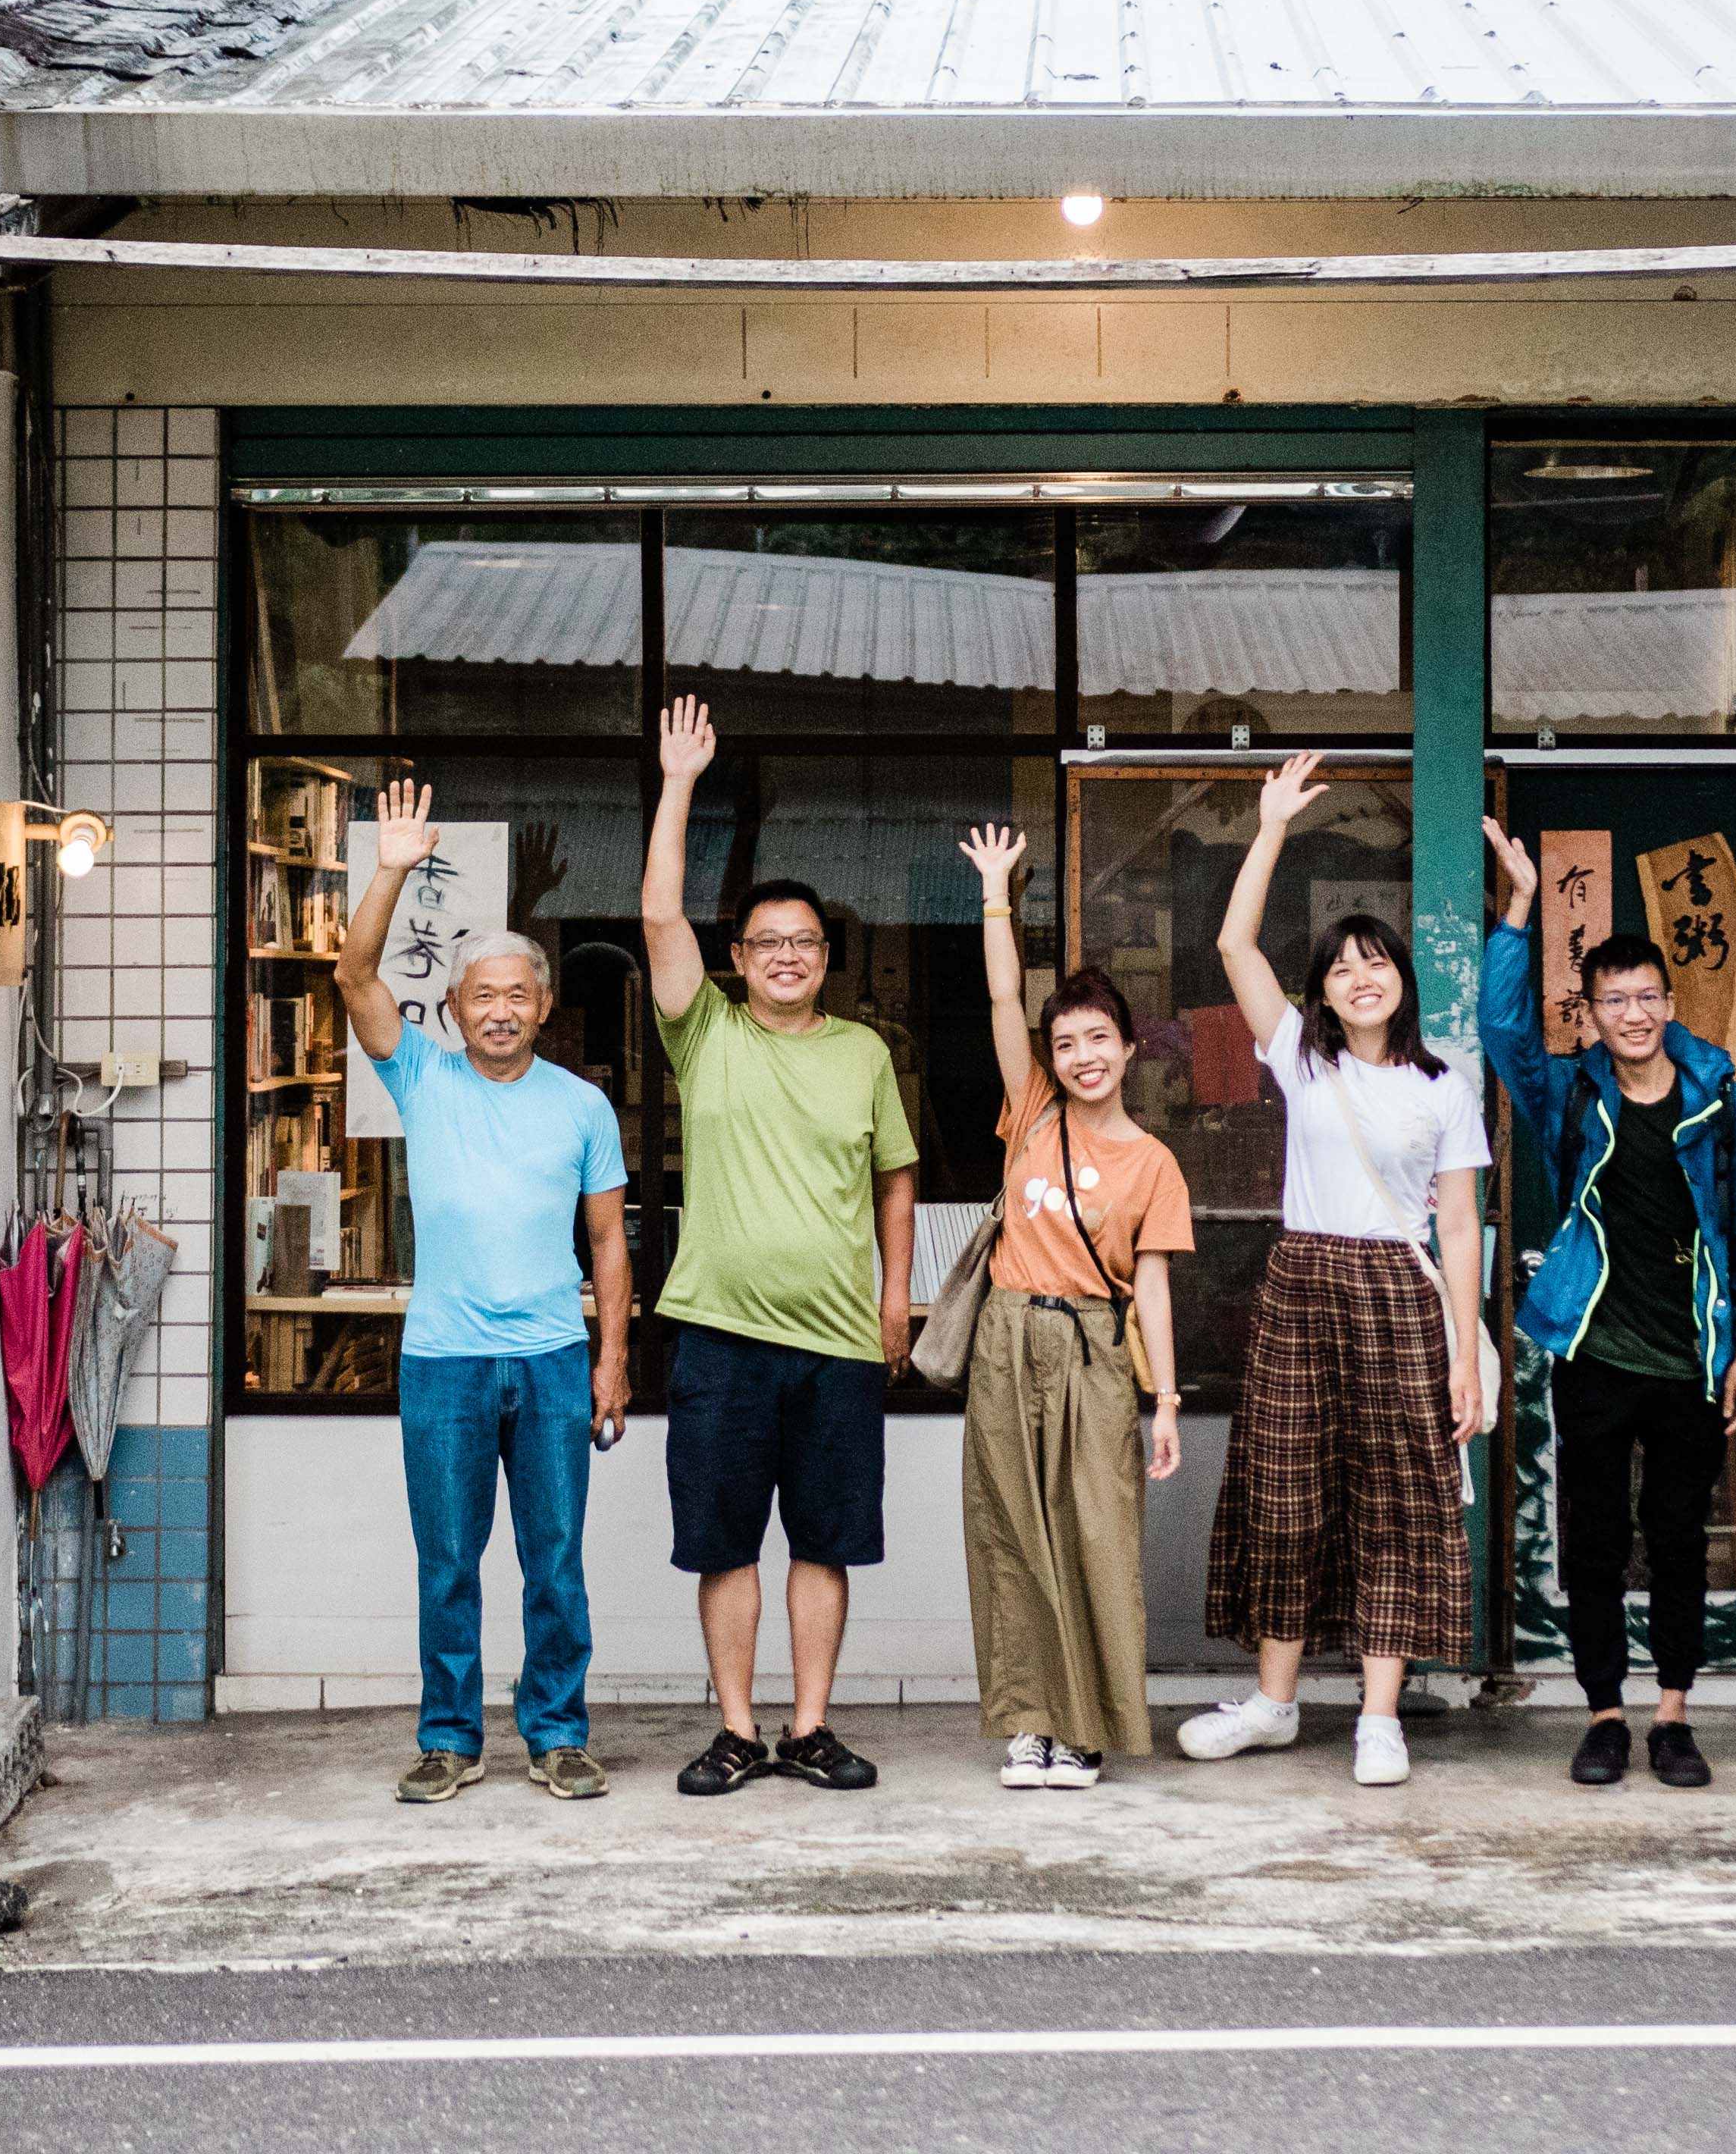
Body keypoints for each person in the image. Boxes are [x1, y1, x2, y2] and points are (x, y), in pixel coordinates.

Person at [1178, 753, 1492, 1787]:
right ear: (1320, 990)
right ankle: (1273, 1704)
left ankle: (1379, 1716)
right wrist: (1270, 827)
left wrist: (1464, 1354)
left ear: (1402, 980)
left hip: (1400, 1294)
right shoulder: (1300, 1058)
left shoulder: (1443, 1085)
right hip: (1302, 1284)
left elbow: (1458, 1227)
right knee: (1285, 1490)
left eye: (1378, 962)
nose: (1362, 978)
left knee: (1395, 1499)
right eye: (1342, 967)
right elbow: (1234, 944)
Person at [639, 693, 921, 1799]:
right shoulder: (703, 1033)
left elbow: (895, 1181)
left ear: (826, 956)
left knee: (824, 1543)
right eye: (769, 942)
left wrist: (895, 1301)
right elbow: (659, 913)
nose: (789, 956)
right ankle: (735, 1730)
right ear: (739, 957)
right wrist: (680, 784)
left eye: (806, 942)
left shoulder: (865, 1053)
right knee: (722, 1544)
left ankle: (809, 1728)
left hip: (840, 1343)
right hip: (718, 1337)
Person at [335, 779, 632, 1808]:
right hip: (445, 1361)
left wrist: (612, 1361)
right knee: (449, 1561)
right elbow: (354, 973)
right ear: (454, 1008)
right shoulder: (422, 1077)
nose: (500, 1010)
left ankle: (558, 1733)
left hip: (552, 1358)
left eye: (517, 996)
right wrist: (391, 869)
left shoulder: (584, 1106)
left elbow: (609, 1241)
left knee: (555, 1562)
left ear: (543, 1007)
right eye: (482, 996)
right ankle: (449, 1739)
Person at [1477, 819, 1736, 1789]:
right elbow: (1501, 1032)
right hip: (1596, 1355)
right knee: (1599, 1543)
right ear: (1594, 1012)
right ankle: (1605, 1714)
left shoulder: (1719, 1099)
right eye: (1615, 1000)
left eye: (1648, 996)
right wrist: (1519, 911)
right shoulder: (1571, 1096)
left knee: (1681, 1541)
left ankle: (1675, 1717)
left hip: (1691, 1360)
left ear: (1668, 1002)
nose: (1634, 1013)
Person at [954, 821, 1192, 1792]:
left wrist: (1165, 1400)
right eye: (1066, 1044)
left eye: (1099, 1039)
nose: (1083, 1055)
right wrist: (995, 894)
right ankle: (1030, 1725)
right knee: (1012, 1530)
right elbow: (1002, 997)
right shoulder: (1032, 1114)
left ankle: (1086, 1729)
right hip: (1009, 1333)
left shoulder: (1154, 1163)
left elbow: (1155, 1288)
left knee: (1095, 1533)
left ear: (1130, 1047)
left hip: (1095, 1348)